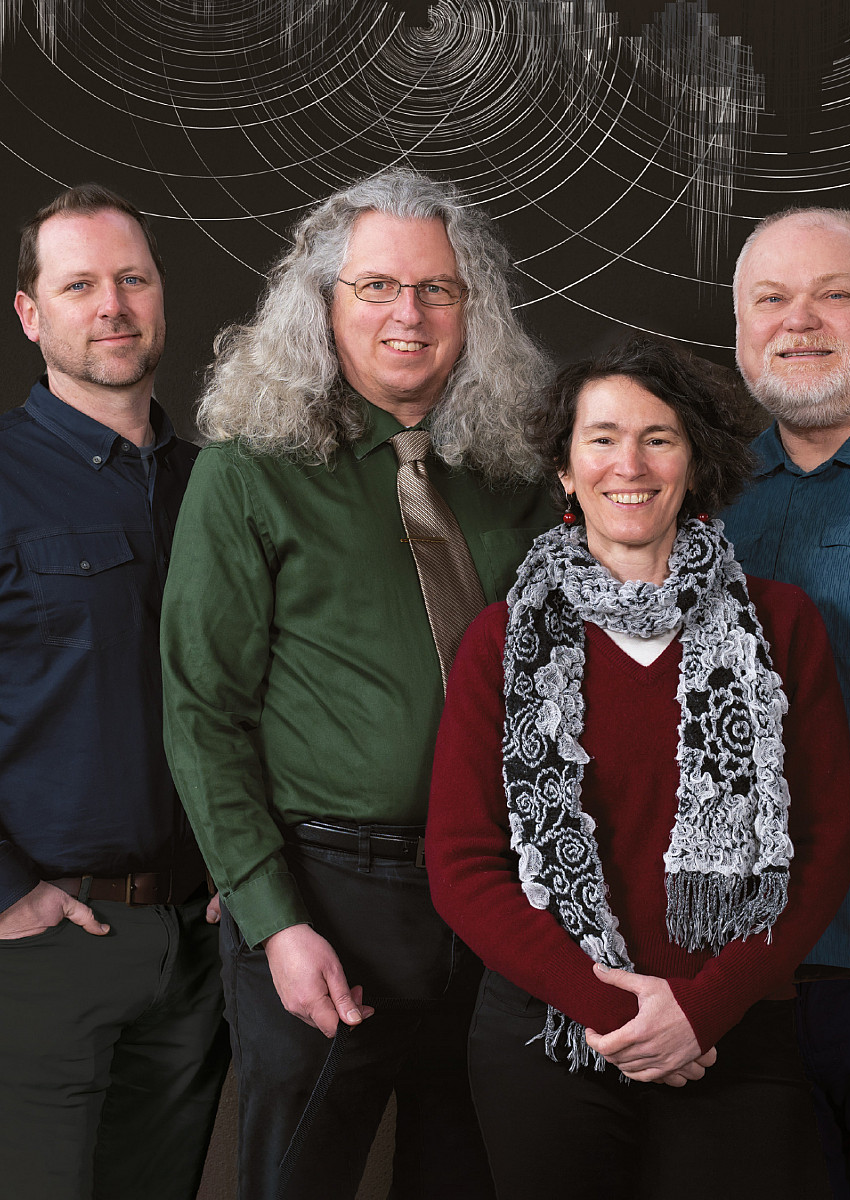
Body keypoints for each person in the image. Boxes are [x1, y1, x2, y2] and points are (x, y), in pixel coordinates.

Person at [160, 168, 555, 1199]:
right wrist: (272, 918)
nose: (408, 315)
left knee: (469, 1174)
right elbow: (203, 710)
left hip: (495, 900)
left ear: (475, 312)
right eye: (375, 286)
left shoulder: (511, 475)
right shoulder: (248, 470)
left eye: (437, 289)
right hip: (327, 895)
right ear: (323, 305)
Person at [425, 334, 850, 1200]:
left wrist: (697, 1010)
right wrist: (623, 1014)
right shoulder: (503, 640)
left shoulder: (783, 626)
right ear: (564, 468)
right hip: (547, 1036)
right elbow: (462, 865)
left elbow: (821, 852)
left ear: (695, 462)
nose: (631, 464)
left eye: (659, 438)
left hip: (729, 1033)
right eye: (602, 437)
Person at [0, 184, 229, 1200]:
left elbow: (261, 689)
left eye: (132, 279)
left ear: (161, 299)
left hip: (202, 946)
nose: (112, 305)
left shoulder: (222, 485)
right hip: (47, 943)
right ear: (30, 313)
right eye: (80, 283)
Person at [725, 206, 850, 1199]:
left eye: (836, 294)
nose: (803, 321)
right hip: (746, 980)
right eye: (772, 300)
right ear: (742, 327)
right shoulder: (695, 495)